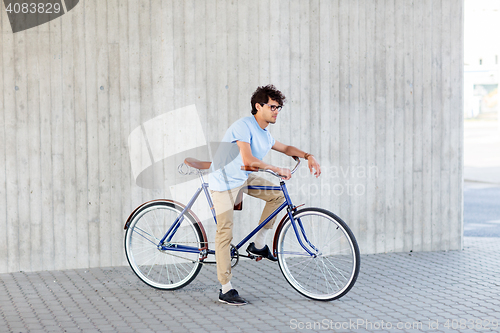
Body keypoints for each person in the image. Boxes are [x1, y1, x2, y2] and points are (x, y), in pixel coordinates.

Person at [208, 84, 321, 305]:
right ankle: (225, 288)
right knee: (225, 232)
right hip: (224, 181)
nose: (276, 111)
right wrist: (276, 169)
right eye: (272, 106)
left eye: (279, 107)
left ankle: (258, 244)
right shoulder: (243, 126)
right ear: (258, 106)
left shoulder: (265, 133)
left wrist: (308, 155)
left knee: (277, 196)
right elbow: (249, 160)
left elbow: (286, 148)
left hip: (242, 177)